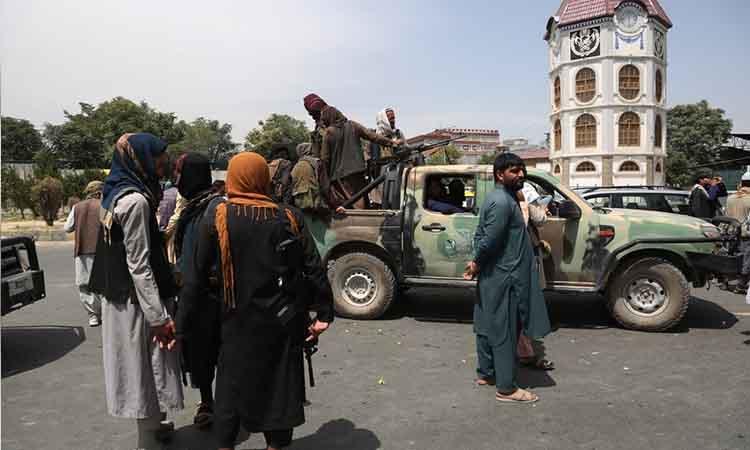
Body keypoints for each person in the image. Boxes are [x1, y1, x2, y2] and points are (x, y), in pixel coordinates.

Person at [181, 152, 334, 450]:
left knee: (229, 391)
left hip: (235, 323)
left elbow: (195, 278)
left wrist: (182, 325)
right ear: (263, 178)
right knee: (279, 390)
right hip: (283, 323)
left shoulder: (219, 216)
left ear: (233, 178)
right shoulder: (288, 215)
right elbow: (313, 268)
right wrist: (324, 315)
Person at [88, 132, 184, 450]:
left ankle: (155, 430)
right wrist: (158, 316)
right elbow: (139, 265)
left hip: (122, 298)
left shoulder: (116, 192)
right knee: (146, 374)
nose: (163, 162)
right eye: (158, 156)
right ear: (139, 158)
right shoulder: (136, 201)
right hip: (137, 304)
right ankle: (148, 441)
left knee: (142, 371)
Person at [463, 153, 551, 404]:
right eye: (514, 171)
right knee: (505, 330)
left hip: (496, 273)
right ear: (499, 174)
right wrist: (477, 262)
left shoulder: (501, 198)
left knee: (486, 324)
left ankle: (486, 373)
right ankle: (506, 388)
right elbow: (490, 240)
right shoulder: (502, 202)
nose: (521, 174)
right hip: (505, 275)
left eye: (522, 170)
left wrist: (478, 264)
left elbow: (483, 236)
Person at [172, 153, 224, 429]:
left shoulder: (215, 207)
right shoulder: (192, 207)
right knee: (200, 354)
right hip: (194, 291)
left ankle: (224, 405)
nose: (176, 179)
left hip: (213, 294)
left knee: (220, 350)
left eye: (180, 173)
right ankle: (207, 400)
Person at [319, 105, 401, 209]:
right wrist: (392, 143)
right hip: (358, 172)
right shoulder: (353, 125)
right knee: (361, 201)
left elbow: (324, 159)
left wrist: (324, 179)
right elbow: (373, 136)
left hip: (340, 177)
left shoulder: (329, 133)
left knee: (350, 206)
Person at [63, 181, 105, 327]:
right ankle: (105, 313)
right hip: (102, 250)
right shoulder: (103, 205)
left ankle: (93, 315)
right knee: (104, 283)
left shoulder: (77, 207)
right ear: (99, 193)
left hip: (82, 251)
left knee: (84, 284)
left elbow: (67, 228)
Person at [725, 169, 750, 293]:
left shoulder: (731, 198)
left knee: (731, 256)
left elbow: (726, 216)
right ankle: (741, 285)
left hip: (731, 232)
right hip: (746, 234)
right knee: (746, 260)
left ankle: (725, 281)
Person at [291, 143, 331, 215]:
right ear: (310, 150)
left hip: (299, 205)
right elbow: (325, 186)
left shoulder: (296, 166)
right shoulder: (318, 163)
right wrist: (334, 205)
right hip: (316, 205)